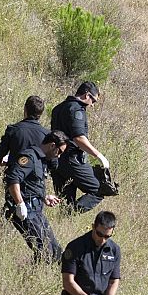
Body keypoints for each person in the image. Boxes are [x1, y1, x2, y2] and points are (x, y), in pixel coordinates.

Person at [3, 130, 68, 263]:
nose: (59, 156)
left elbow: (30, 184)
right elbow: (13, 179)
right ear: (52, 145)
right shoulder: (29, 157)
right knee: (45, 252)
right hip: (26, 212)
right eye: (59, 151)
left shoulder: (41, 160)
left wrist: (44, 197)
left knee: (55, 251)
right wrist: (20, 204)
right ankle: (30, 273)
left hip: (36, 211)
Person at [51, 81, 109, 213]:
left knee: (66, 201)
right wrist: (99, 156)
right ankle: (72, 213)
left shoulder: (58, 108)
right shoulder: (77, 110)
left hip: (56, 160)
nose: (92, 105)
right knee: (99, 189)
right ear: (87, 95)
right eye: (93, 101)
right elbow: (78, 138)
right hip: (72, 159)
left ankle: (66, 217)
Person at [0, 95, 49, 166]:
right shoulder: (47, 134)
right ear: (41, 113)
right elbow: (53, 164)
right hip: (37, 172)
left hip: (15, 171)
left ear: (25, 109)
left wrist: (7, 161)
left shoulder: (13, 130)